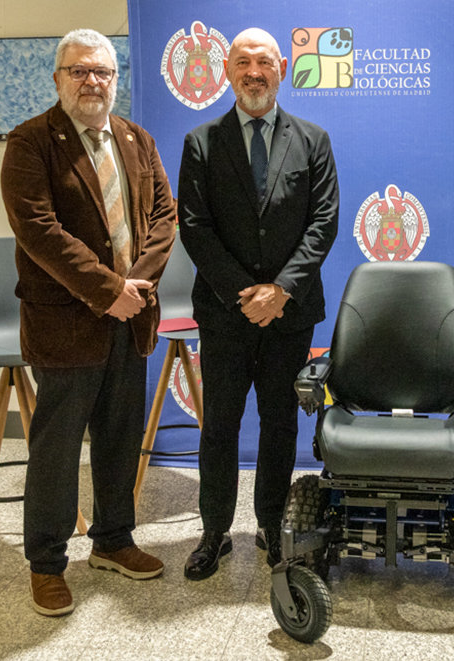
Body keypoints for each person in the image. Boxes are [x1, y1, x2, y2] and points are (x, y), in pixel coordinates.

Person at [1, 29, 177, 616]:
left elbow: (163, 218)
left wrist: (136, 288)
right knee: (56, 448)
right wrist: (108, 291)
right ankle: (47, 562)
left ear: (115, 79)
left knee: (121, 434)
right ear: (58, 79)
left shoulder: (135, 138)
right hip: (66, 323)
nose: (91, 82)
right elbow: (39, 230)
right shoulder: (30, 143)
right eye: (78, 71)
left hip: (131, 319)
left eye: (101, 72)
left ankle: (113, 540)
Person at [177, 28, 339, 581]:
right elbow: (194, 226)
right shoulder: (201, 142)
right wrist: (243, 294)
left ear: (283, 70)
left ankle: (272, 524)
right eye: (243, 62)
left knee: (279, 423)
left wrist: (282, 290)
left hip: (290, 314)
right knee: (219, 424)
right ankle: (214, 530)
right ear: (226, 70)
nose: (254, 72)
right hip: (225, 313)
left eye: (264, 62)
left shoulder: (314, 139)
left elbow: (323, 223)